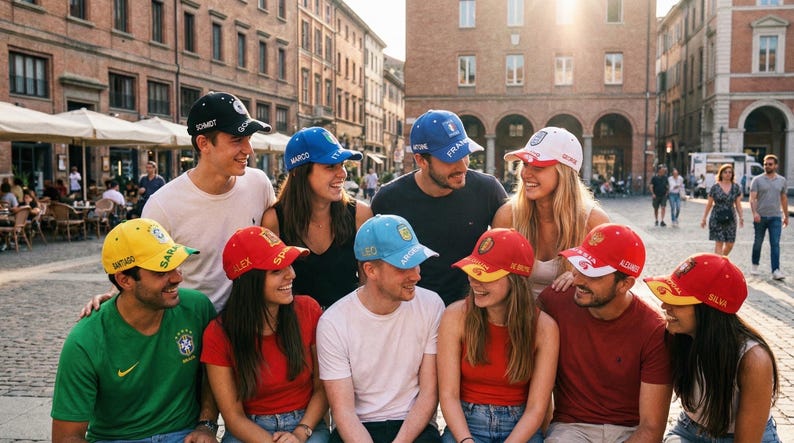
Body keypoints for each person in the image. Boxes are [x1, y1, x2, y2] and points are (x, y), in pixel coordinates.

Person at [50, 218, 218, 443]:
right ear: (124, 280)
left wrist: (206, 426)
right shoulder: (84, 341)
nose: (178, 277)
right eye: (161, 272)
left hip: (185, 434)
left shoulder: (197, 308)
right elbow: (67, 438)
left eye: (176, 265)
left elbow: (214, 374)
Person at [141, 91, 276, 310]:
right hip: (194, 329)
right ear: (204, 143)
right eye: (237, 140)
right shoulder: (162, 206)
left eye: (249, 140)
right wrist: (112, 295)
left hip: (249, 324)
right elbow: (144, 273)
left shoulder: (259, 183)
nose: (249, 150)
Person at [317, 214, 445, 443]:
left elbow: (428, 395)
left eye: (416, 262)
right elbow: (343, 411)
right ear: (371, 270)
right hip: (357, 427)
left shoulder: (431, 304)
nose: (416, 274)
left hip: (413, 426)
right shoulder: (333, 322)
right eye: (403, 266)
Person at [539, 223, 672, 443]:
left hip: (630, 432)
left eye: (593, 274)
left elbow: (651, 429)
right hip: (570, 429)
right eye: (580, 266)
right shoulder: (555, 301)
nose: (579, 280)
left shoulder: (653, 330)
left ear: (625, 284)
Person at [201, 226, 329, 442]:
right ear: (250, 280)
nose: (292, 274)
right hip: (248, 429)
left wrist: (299, 433)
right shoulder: (219, 333)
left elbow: (323, 387)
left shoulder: (308, 310)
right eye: (277, 270)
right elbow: (233, 416)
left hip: (306, 424)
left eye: (289, 265)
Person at [371, 109, 508, 305]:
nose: (462, 166)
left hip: (471, 310)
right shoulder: (389, 199)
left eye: (465, 154)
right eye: (450, 159)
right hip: (411, 311)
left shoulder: (487, 190)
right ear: (421, 160)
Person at [644, 253, 781, 442]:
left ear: (709, 310)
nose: (664, 305)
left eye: (678, 301)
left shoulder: (752, 359)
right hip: (689, 430)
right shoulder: (676, 336)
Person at [438, 228, 558, 443]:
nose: (475, 282)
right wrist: (465, 440)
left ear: (515, 280)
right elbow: (448, 395)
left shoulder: (544, 328)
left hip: (520, 426)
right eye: (473, 272)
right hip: (466, 423)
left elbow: (537, 408)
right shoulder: (455, 316)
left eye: (485, 275)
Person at [493, 127, 610, 298]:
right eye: (525, 164)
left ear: (564, 172)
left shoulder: (594, 222)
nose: (526, 173)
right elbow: (493, 279)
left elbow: (611, 286)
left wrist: (583, 278)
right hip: (519, 318)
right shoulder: (508, 216)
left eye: (538, 167)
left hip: (571, 319)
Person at [262, 126, 371, 308]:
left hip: (346, 328)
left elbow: (368, 283)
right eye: (330, 166)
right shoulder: (274, 220)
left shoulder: (360, 214)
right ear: (300, 172)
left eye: (342, 165)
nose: (342, 173)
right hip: (297, 329)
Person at [750, 154, 788, 280]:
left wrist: (786, 215)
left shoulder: (782, 180)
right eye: (765, 164)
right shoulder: (757, 180)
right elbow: (753, 198)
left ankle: (776, 270)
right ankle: (755, 265)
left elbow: (783, 199)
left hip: (775, 217)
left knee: (775, 244)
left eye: (770, 164)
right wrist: (754, 213)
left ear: (775, 165)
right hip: (760, 217)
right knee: (758, 242)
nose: (767, 166)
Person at [700, 163, 743, 256]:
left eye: (730, 172)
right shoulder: (715, 187)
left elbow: (738, 204)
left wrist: (741, 217)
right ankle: (718, 265)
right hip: (717, 216)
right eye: (725, 172)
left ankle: (721, 259)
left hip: (731, 217)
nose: (728, 174)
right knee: (719, 242)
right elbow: (709, 204)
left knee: (730, 244)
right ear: (721, 174)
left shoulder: (736, 187)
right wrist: (704, 218)